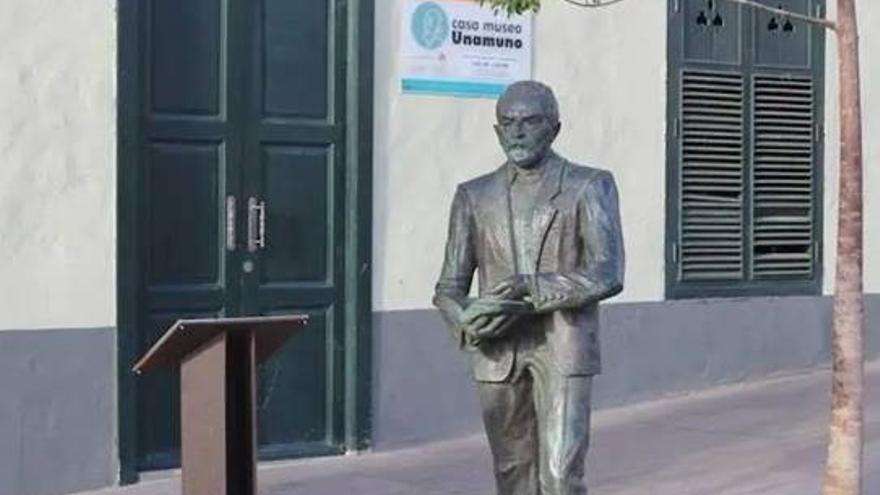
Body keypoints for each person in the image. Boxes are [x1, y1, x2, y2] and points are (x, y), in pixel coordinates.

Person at [433, 80, 625, 495]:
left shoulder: (589, 185)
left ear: (555, 128)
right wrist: (464, 319)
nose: (518, 131)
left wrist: (529, 288)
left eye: (530, 121)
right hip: (497, 348)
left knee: (560, 475)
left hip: (563, 342)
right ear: (497, 131)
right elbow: (448, 285)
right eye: (508, 122)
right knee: (511, 472)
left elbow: (608, 272)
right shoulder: (473, 196)